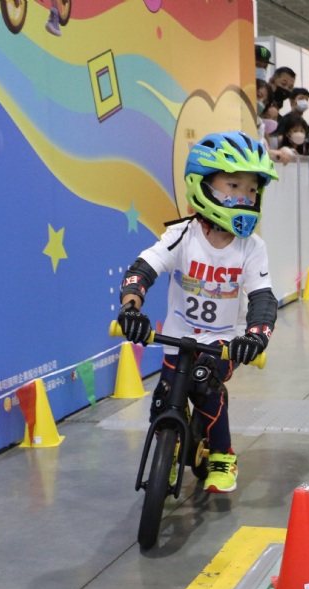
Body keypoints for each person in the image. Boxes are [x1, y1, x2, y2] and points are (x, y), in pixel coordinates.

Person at [116, 132, 278, 493]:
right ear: (202, 185)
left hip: (224, 342)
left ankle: (223, 455)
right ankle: (169, 449)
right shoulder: (182, 235)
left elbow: (263, 298)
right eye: (233, 185)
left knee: (205, 384)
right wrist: (131, 308)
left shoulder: (251, 247)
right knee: (164, 397)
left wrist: (255, 336)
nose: (245, 196)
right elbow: (143, 269)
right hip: (178, 338)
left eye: (252, 190)